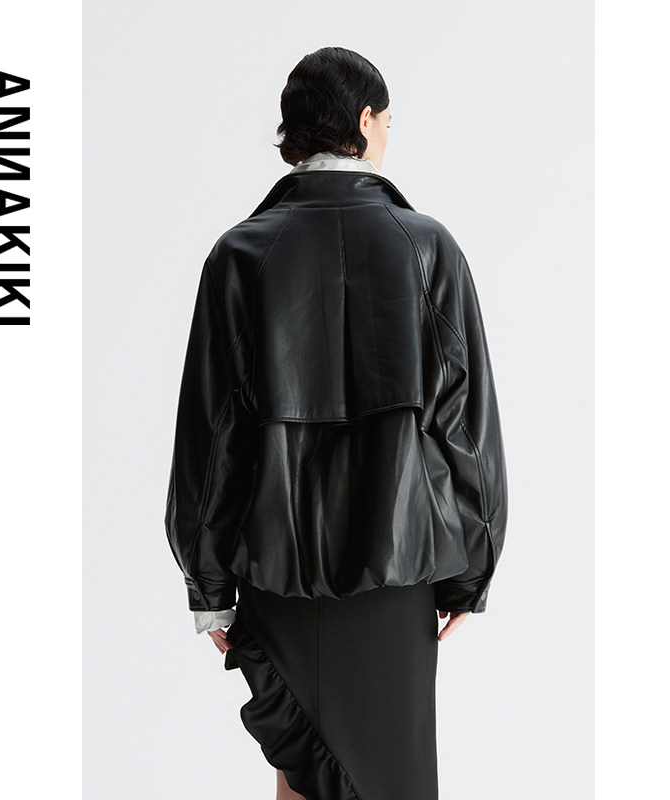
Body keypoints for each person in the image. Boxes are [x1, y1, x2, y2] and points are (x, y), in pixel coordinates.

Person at [164, 46, 508, 800]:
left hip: (278, 569)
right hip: (397, 568)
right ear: (364, 119)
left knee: (304, 776)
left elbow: (209, 439)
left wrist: (208, 583)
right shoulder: (428, 248)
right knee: (392, 779)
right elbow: (467, 430)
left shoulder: (240, 253)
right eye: (387, 120)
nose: (388, 133)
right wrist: (470, 570)